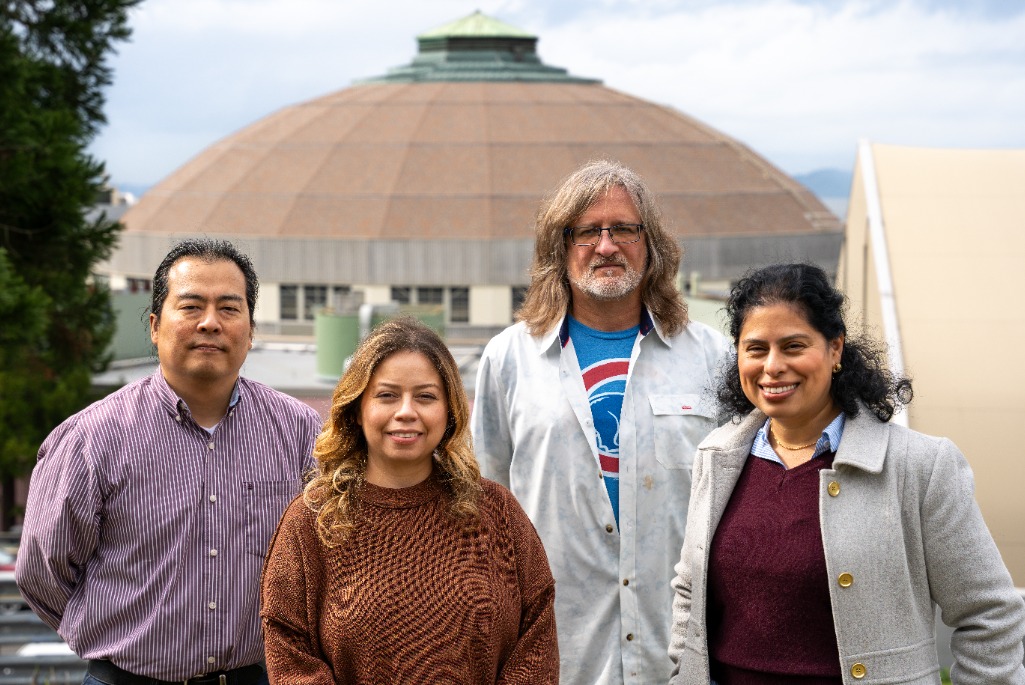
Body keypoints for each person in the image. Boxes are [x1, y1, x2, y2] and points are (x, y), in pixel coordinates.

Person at [668, 263, 1025, 685]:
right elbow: (689, 592)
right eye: (756, 348)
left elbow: (989, 616)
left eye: (794, 346)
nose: (773, 366)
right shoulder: (716, 456)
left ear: (835, 349)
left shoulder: (921, 468)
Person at [16, 239, 322, 685]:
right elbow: (42, 570)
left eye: (229, 309)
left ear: (251, 330)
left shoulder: (297, 431)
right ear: (156, 325)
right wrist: (118, 635)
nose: (211, 323)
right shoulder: (92, 437)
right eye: (192, 306)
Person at [472, 160, 729, 684]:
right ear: (559, 247)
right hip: (555, 649)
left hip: (679, 650)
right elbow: (484, 502)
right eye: (587, 231)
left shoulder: (711, 356)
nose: (607, 245)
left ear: (650, 242)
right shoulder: (508, 358)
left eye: (625, 229)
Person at [261, 317, 558, 684]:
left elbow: (536, 639)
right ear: (357, 408)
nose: (406, 411)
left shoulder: (497, 512)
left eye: (425, 396)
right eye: (387, 395)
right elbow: (289, 648)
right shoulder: (313, 520)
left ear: (449, 411)